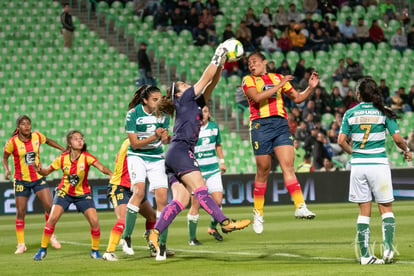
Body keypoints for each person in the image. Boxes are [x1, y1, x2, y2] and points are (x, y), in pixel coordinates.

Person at [146, 43, 251, 259]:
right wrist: (217, 55)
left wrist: (221, 66)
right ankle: (224, 222)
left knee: (180, 201)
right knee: (201, 189)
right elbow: (204, 79)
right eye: (184, 84)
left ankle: (155, 233)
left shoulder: (193, 102)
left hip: (175, 154)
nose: (187, 85)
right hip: (182, 151)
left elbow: (211, 84)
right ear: (178, 93)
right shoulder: (183, 99)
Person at [338, 77, 412, 265]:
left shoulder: (350, 113)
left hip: (358, 166)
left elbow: (341, 141)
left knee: (364, 211)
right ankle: (388, 250)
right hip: (378, 165)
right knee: (386, 209)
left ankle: (365, 256)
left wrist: (354, 153)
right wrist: (406, 150)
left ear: (359, 94)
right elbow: (397, 139)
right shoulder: (384, 112)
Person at [242, 51, 318, 234]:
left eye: (254, 62)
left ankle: (300, 206)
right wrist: (281, 84)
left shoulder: (277, 77)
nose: (251, 65)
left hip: (280, 123)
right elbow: (258, 98)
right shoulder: (248, 80)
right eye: (249, 63)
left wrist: (311, 88)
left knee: (288, 166)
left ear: (264, 62)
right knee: (263, 169)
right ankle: (258, 213)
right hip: (261, 125)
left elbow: (298, 98)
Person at [32, 130, 113, 261]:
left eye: (81, 138)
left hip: (83, 193)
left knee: (94, 222)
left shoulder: (87, 157)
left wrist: (111, 174)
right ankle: (42, 249)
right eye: (76, 139)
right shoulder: (62, 158)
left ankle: (95, 251)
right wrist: (39, 170)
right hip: (64, 192)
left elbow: (102, 167)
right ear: (69, 143)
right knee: (52, 219)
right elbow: (46, 172)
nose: (80, 141)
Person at [120, 85, 172, 261]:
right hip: (137, 157)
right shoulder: (133, 114)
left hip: (157, 157)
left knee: (163, 199)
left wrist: (165, 137)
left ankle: (161, 245)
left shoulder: (163, 115)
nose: (158, 102)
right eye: (154, 100)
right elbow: (134, 144)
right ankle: (126, 237)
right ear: (145, 100)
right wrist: (154, 137)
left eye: (160, 99)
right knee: (139, 191)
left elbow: (164, 140)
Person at [2, 115, 64, 254]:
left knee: (49, 207)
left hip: (38, 178)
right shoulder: (12, 142)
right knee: (21, 212)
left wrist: (62, 149)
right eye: (23, 124)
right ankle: (21, 244)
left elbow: (48, 140)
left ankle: (51, 236)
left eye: (28, 123)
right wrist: (7, 170)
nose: (27, 126)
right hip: (21, 180)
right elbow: (5, 157)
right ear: (18, 127)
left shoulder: (37, 136)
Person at [102, 138, 163, 261]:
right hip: (120, 186)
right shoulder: (131, 143)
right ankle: (109, 252)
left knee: (151, 216)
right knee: (123, 219)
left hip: (133, 188)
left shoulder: (138, 142)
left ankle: (153, 246)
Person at [187, 106, 226, 245]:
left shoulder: (214, 127)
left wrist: (222, 162)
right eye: (200, 112)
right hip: (197, 172)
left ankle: (213, 228)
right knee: (195, 204)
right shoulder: (191, 129)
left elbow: (218, 145)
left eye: (205, 111)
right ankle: (192, 238)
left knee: (218, 202)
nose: (203, 114)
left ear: (209, 114)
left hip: (213, 169)